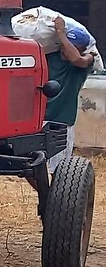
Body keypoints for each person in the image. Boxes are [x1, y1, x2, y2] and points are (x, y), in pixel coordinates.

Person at [43, 14, 96, 173]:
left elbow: (76, 60)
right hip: (40, 119)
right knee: (33, 166)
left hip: (61, 121)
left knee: (60, 171)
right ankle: (48, 197)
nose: (67, 49)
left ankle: (56, 196)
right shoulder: (48, 56)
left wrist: (61, 33)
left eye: (73, 46)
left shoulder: (87, 60)